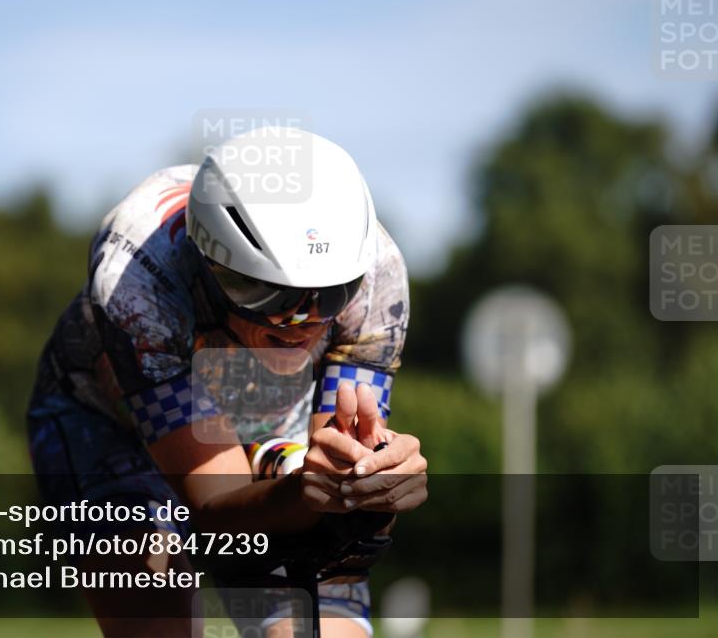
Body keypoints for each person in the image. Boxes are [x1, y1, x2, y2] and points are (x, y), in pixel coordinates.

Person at [27, 127, 428, 637]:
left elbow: (336, 496)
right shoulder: (138, 276)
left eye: (328, 295)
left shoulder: (376, 276)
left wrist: (371, 490)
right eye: (267, 294)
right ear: (209, 262)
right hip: (108, 425)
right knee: (155, 592)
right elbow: (214, 508)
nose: (301, 322)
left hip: (269, 426)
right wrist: (309, 492)